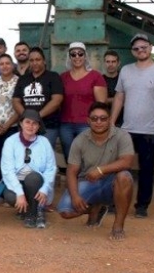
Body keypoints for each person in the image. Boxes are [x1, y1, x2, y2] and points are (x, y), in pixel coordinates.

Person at [110, 34, 154, 218]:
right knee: (121, 168)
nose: (140, 51)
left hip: (151, 130)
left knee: (147, 170)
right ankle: (117, 202)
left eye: (143, 47)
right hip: (127, 129)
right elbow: (119, 97)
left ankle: (141, 206)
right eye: (136, 48)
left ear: (151, 47)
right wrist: (113, 123)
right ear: (132, 51)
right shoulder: (126, 71)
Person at [57, 102, 134, 241]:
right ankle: (94, 207)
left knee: (125, 177)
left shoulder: (122, 136)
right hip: (89, 182)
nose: (99, 122)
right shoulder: (80, 140)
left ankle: (118, 225)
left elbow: (127, 162)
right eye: (94, 118)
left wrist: (101, 170)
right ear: (88, 121)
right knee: (65, 211)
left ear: (110, 120)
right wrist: (75, 196)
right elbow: (71, 171)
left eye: (103, 118)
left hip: (112, 182)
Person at [0, 110, 57, 228]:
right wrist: (20, 193)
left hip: (39, 184)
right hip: (18, 182)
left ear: (39, 126)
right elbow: (7, 170)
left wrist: (45, 188)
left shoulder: (44, 142)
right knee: (10, 196)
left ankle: (34, 212)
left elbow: (51, 168)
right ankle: (31, 210)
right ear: (21, 123)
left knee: (33, 178)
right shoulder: (10, 142)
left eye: (35, 123)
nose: (31, 126)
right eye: (27, 122)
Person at [59, 42, 107, 162]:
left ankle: (85, 180)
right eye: (73, 54)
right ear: (69, 57)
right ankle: (73, 180)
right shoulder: (62, 77)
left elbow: (101, 104)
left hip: (86, 124)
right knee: (70, 159)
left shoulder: (96, 76)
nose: (77, 57)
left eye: (80, 54)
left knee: (87, 159)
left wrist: (97, 123)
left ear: (85, 56)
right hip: (66, 124)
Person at [12, 47, 63, 149]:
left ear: (44, 61)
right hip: (26, 126)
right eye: (31, 60)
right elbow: (15, 100)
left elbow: (57, 100)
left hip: (48, 126)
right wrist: (27, 118)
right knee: (25, 154)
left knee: (43, 154)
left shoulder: (53, 76)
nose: (35, 63)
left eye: (38, 60)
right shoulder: (23, 79)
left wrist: (36, 116)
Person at [0, 53, 20, 173]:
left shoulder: (20, 82)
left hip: (13, 127)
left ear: (12, 65)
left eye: (7, 63)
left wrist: (7, 125)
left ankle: (10, 189)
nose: (5, 66)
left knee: (10, 159)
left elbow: (21, 107)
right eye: (1, 64)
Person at [103, 50, 122, 127]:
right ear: (104, 63)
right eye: (108, 62)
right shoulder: (100, 80)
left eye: (113, 61)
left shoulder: (124, 79)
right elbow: (99, 101)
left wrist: (108, 100)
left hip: (123, 121)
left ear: (118, 63)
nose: (110, 64)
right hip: (104, 120)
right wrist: (118, 99)